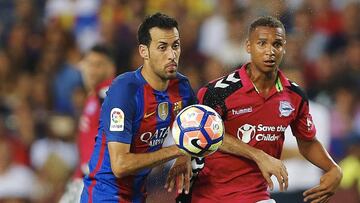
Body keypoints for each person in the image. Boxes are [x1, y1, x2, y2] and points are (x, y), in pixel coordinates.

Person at [177, 16, 342, 203]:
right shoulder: (218, 92)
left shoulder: (294, 96)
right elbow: (202, 136)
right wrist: (258, 155)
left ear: (284, 48)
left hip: (256, 195)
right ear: (248, 46)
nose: (270, 51)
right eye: (262, 43)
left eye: (277, 44)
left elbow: (307, 142)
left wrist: (333, 168)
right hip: (209, 195)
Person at [80, 12, 195, 202]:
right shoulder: (125, 91)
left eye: (175, 46)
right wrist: (179, 150)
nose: (172, 54)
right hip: (104, 194)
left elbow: (198, 128)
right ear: (144, 51)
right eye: (162, 47)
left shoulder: (181, 87)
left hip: (137, 196)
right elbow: (120, 165)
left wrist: (187, 156)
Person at [59, 44, 116, 203]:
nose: (92, 69)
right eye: (89, 64)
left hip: (99, 181)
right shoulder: (93, 97)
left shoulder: (108, 91)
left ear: (110, 67)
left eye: (98, 65)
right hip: (85, 177)